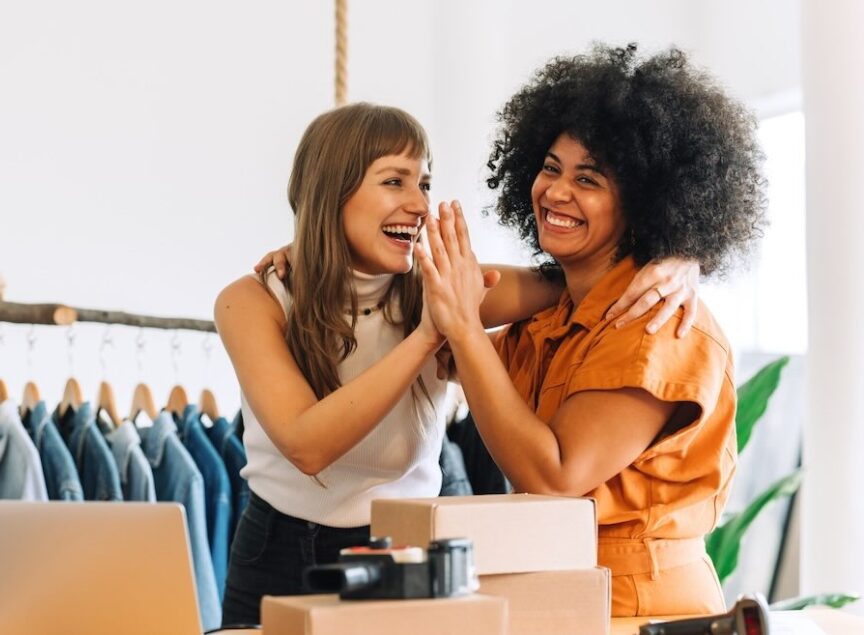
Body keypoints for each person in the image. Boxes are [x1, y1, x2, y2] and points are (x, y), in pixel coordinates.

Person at [215, 102, 698, 625]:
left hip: (407, 552)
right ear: (332, 191)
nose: (420, 204)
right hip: (279, 549)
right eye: (394, 181)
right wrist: (428, 335)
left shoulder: (440, 286)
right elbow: (306, 446)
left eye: (424, 183)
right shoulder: (253, 301)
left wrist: (679, 256)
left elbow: (583, 274)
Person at [416, 44, 766, 616]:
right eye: (550, 168)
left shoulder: (659, 324)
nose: (556, 192)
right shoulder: (557, 317)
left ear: (646, 204)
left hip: (641, 608)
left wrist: (466, 331)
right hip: (566, 592)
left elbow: (556, 476)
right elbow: (438, 320)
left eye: (589, 179)